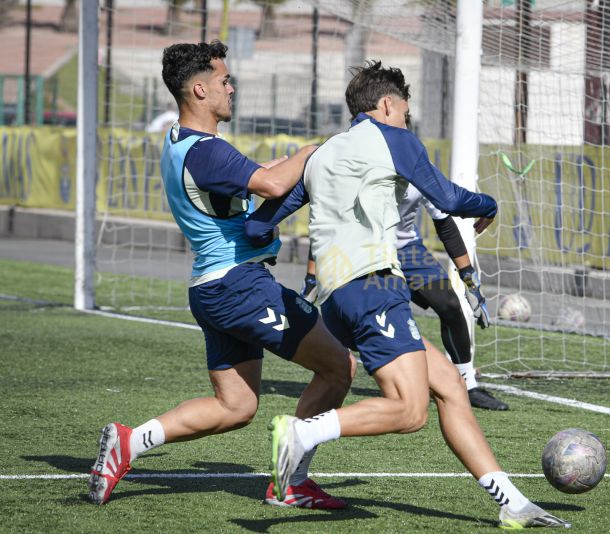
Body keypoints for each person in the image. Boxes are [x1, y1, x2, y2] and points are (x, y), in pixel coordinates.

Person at [245, 61, 570, 528]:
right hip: (374, 284)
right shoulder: (392, 138)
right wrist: (491, 205)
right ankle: (301, 433)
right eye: (404, 113)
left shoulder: (322, 154)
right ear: (386, 105)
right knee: (409, 410)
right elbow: (452, 200)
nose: (407, 122)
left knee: (450, 389)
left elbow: (259, 225)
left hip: (336, 296)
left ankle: (512, 503)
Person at [87, 40, 354, 510]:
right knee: (337, 367)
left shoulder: (179, 140)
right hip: (239, 286)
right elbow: (272, 183)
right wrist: (315, 150)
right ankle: (293, 482)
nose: (232, 87)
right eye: (224, 80)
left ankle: (130, 442)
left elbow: (261, 175)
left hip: (212, 288)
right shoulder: (207, 150)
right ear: (199, 89)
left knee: (237, 407)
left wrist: (300, 162)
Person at [300, 184, 509, 411]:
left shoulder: (418, 170)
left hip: (407, 250)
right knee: (360, 313)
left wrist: (468, 275)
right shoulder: (361, 165)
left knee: (449, 304)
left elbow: (445, 224)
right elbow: (327, 218)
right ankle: (331, 376)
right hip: (363, 251)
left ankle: (468, 384)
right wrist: (312, 277)